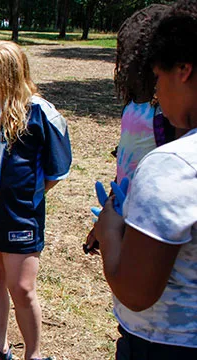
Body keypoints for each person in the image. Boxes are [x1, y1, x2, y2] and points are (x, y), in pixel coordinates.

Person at [93, 1, 197, 358]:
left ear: (182, 70)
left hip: (165, 343)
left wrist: (109, 230)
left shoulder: (173, 165)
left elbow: (135, 293)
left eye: (158, 77)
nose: (157, 92)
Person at [0, 41, 71, 360]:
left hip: (20, 218)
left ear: (13, 80)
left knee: (22, 288)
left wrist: (26, 198)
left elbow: (55, 170)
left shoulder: (40, 113)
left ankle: (33, 354)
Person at [84, 3, 180, 255]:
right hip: (124, 212)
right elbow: (125, 167)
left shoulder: (169, 113)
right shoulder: (133, 104)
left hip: (153, 220)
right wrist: (107, 214)